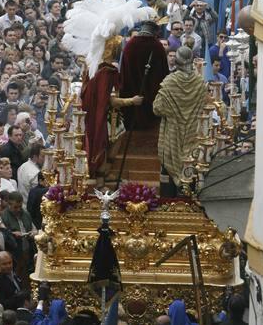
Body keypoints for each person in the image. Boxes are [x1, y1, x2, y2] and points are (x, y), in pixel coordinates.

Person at [80, 35, 143, 180]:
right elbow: (112, 101)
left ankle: (103, 172)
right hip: (108, 116)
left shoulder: (97, 69)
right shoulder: (108, 72)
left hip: (98, 115)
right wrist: (132, 101)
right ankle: (103, 171)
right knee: (117, 136)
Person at [153, 46, 208, 195]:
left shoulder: (170, 81)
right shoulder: (199, 82)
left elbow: (157, 108)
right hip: (192, 134)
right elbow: (206, 105)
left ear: (176, 61)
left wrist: (173, 112)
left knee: (169, 176)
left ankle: (168, 208)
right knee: (190, 169)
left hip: (172, 135)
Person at [119, 21, 169, 130]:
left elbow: (123, 71)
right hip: (151, 100)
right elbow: (164, 74)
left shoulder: (130, 45)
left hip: (130, 97)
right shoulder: (157, 46)